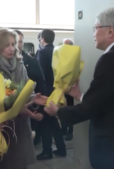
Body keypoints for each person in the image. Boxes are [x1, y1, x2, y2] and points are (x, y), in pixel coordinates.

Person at [44, 7, 114, 169]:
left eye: (96, 27)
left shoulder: (111, 59)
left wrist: (57, 111)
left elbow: (91, 109)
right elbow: (110, 101)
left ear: (110, 31)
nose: (93, 33)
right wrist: (80, 95)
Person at [0, 28, 47, 169]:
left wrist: (34, 99)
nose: (11, 48)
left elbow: (24, 94)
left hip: (20, 129)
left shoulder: (20, 66)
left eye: (13, 44)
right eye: (6, 45)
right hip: (0, 129)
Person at [36, 29, 66, 160]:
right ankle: (61, 148)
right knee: (53, 121)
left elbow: (40, 74)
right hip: (56, 91)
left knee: (46, 123)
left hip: (45, 92)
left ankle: (47, 151)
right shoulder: (57, 51)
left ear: (42, 38)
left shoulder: (42, 52)